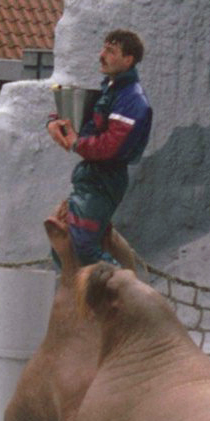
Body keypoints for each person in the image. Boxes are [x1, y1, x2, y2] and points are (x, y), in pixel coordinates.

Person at [46, 29, 152, 267]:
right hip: (92, 177)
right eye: (104, 48)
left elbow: (111, 146)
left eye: (111, 51)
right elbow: (82, 117)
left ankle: (119, 284)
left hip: (105, 180)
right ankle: (90, 289)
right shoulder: (112, 91)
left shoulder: (132, 99)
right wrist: (54, 122)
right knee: (65, 244)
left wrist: (77, 142)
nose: (101, 55)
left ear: (128, 59)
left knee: (82, 246)